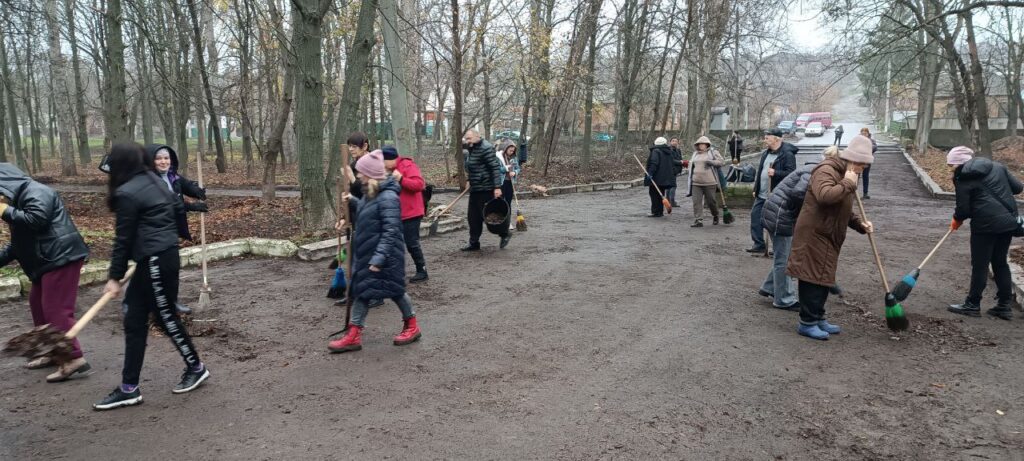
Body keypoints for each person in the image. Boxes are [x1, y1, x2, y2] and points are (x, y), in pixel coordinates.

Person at [94, 143, 209, 410]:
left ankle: (196, 367)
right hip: (157, 257)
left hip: (156, 260)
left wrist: (114, 277)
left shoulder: (127, 193)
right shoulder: (154, 181)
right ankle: (129, 388)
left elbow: (123, 239)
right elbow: (172, 210)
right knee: (134, 319)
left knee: (165, 316)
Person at [0, 163, 91, 382]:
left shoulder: (36, 191)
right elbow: (18, 244)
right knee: (38, 304)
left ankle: (73, 357)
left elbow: (36, 220)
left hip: (61, 257)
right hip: (48, 260)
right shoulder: (19, 199)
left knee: (56, 309)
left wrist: (4, 211)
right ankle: (52, 351)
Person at [328, 150, 422, 352]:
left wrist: (379, 258)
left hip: (386, 256)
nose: (359, 175)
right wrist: (352, 201)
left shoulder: (388, 197)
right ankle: (353, 334)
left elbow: (391, 230)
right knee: (363, 292)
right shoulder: (370, 192)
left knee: (396, 292)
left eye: (361, 172)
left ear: (371, 174)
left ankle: (412, 326)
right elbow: (368, 212)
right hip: (369, 253)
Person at [786, 135, 875, 340]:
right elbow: (825, 196)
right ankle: (807, 323)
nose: (862, 170)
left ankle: (818, 317)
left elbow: (842, 208)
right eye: (862, 165)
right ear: (853, 160)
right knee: (811, 279)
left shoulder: (846, 175)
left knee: (823, 279)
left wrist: (860, 224)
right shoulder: (826, 170)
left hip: (829, 236)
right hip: (814, 234)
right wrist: (848, 183)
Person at [946, 146, 1023, 320]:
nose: (950, 169)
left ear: (959, 163)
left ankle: (972, 304)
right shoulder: (998, 166)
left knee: (980, 265)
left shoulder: (962, 176)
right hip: (1008, 222)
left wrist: (956, 219)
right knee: (1000, 262)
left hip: (985, 226)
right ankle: (1004, 306)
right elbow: (1018, 188)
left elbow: (963, 210)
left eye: (951, 165)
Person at [759, 146, 840, 311]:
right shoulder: (814, 172)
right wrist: (803, 213)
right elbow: (798, 194)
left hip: (778, 213)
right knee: (784, 259)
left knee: (785, 256)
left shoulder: (813, 168)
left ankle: (770, 287)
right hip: (781, 216)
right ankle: (784, 299)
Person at [143, 144, 207, 315]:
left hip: (170, 230)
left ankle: (171, 302)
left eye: (166, 158)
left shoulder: (172, 176)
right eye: (158, 158)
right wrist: (191, 207)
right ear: (151, 161)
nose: (163, 162)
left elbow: (185, 185)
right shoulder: (148, 181)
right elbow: (168, 203)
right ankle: (144, 303)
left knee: (171, 269)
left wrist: (196, 190)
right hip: (153, 231)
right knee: (156, 270)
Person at [382, 145, 428, 283]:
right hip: (396, 212)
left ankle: (422, 270)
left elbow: (419, 185)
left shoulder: (407, 165)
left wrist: (401, 179)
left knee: (411, 242)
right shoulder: (388, 170)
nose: (382, 164)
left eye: (383, 161)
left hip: (412, 212)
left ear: (390, 159)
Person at [748, 128, 798, 253]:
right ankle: (759, 244)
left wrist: (776, 172)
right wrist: (756, 188)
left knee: (774, 222)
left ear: (776, 139)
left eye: (767, 138)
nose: (764, 140)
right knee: (755, 216)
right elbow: (760, 172)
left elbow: (792, 174)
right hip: (762, 193)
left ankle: (778, 249)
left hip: (776, 194)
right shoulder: (766, 153)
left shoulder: (787, 154)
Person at [461, 129, 508, 250]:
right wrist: (469, 180)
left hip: (486, 189)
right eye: (466, 138)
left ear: (477, 136)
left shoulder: (486, 148)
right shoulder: (472, 148)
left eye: (469, 138)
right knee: (473, 218)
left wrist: (497, 187)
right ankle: (474, 243)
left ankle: (505, 234)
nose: (467, 141)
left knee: (488, 217)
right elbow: (472, 167)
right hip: (475, 188)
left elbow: (495, 168)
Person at [686, 136, 724, 227]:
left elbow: (721, 162)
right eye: (700, 144)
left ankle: (715, 215)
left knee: (711, 202)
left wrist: (712, 162)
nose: (701, 146)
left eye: (703, 144)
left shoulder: (713, 152)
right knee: (696, 202)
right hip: (696, 182)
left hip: (710, 182)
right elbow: (691, 165)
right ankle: (698, 220)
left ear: (707, 145)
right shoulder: (695, 154)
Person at [645, 137, 679, 218]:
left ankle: (655, 212)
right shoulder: (668, 151)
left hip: (656, 177)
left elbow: (654, 163)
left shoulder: (656, 151)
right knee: (661, 194)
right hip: (664, 178)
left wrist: (650, 173)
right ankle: (660, 212)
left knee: (654, 194)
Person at [665, 138, 683, 207]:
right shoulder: (669, 150)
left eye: (676, 141)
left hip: (675, 170)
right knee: (673, 186)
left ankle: (668, 200)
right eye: (673, 141)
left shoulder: (678, 150)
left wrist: (683, 163)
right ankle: (671, 201)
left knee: (670, 186)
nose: (674, 142)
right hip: (670, 170)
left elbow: (680, 158)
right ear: (670, 142)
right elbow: (671, 160)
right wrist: (680, 162)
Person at [859, 127, 876, 199]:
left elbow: (875, 147)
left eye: (865, 133)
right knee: (855, 176)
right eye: (862, 133)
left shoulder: (871, 140)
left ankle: (865, 193)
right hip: (858, 160)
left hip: (867, 161)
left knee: (865, 176)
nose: (864, 134)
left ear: (868, 134)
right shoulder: (857, 140)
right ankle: (854, 193)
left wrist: (868, 147)